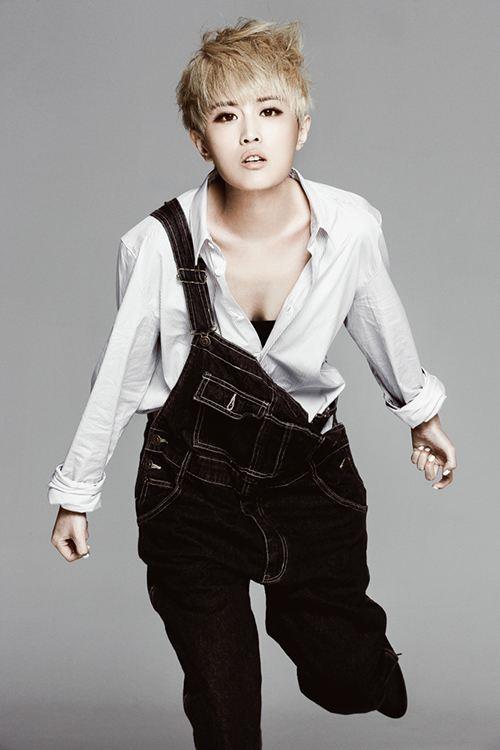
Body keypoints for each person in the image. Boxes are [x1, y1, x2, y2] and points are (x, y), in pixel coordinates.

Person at [48, 17, 457, 750]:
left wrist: (422, 418)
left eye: (269, 111)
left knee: (343, 674)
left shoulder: (350, 227)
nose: (250, 134)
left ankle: (359, 663)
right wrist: (77, 494)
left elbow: (380, 322)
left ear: (302, 125)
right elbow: (118, 376)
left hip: (308, 478)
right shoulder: (156, 246)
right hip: (189, 486)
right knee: (224, 708)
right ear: (199, 138)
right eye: (225, 116)